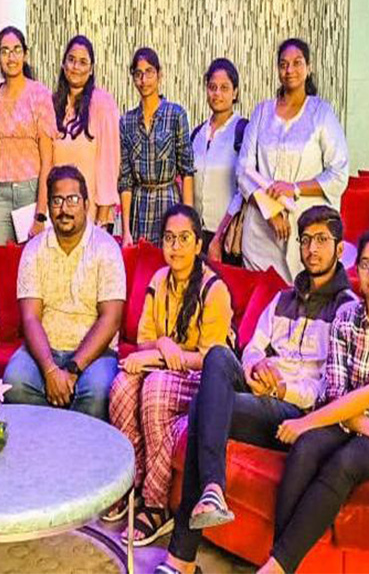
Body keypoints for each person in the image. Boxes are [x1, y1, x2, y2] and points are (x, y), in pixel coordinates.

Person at [154, 206, 357, 574]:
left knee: (204, 405)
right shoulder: (283, 298)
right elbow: (251, 345)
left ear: (339, 250)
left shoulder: (348, 311)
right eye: (306, 240)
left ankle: (181, 558)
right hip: (258, 389)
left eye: (321, 240)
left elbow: (333, 386)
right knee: (218, 354)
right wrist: (253, 367)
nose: (312, 249)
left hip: (295, 412)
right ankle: (212, 491)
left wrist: (283, 390)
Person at [256, 228, 369, 574]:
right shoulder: (345, 319)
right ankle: (280, 565)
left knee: (345, 462)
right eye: (366, 264)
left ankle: (275, 568)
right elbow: (339, 397)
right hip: (346, 419)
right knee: (306, 447)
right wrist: (314, 427)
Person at [108, 204, 233, 546]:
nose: (175, 247)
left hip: (200, 377)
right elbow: (145, 337)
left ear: (198, 244)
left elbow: (213, 359)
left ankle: (155, 504)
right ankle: (128, 484)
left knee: (156, 389)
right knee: (121, 386)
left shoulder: (213, 289)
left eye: (184, 239)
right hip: (165, 365)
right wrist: (164, 346)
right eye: (169, 239)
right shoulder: (158, 280)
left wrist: (163, 357)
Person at [3, 165, 124, 420]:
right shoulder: (34, 250)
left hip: (95, 355)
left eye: (72, 199)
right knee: (15, 381)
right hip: (44, 352)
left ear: (86, 204)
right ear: (48, 207)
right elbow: (30, 318)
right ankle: (44, 449)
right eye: (57, 200)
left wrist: (71, 370)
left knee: (97, 391)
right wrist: (49, 371)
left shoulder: (106, 248)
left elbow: (111, 319)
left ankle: (78, 454)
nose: (64, 208)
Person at [237, 38, 349, 283]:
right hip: (261, 229)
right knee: (261, 304)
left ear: (308, 67)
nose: (290, 70)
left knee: (302, 303)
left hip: (305, 229)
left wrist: (294, 187)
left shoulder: (321, 113)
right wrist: (270, 212)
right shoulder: (262, 112)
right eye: (283, 64)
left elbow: (339, 173)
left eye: (297, 63)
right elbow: (243, 169)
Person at [0, 26, 58, 245]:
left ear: (25, 54)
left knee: (30, 267)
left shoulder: (39, 94)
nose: (11, 56)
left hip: (31, 190)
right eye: (5, 51)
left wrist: (41, 213)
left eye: (16, 50)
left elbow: (48, 161)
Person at [118, 47, 193, 247]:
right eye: (138, 74)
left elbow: (187, 171)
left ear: (160, 74)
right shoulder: (127, 122)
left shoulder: (176, 115)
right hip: (139, 207)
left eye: (149, 72)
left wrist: (188, 222)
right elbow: (125, 179)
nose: (144, 80)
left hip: (168, 202)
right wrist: (125, 230)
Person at [51, 35, 121, 229]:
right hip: (57, 214)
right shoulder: (52, 104)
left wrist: (103, 215)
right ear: (63, 64)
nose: (75, 67)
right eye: (71, 60)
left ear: (91, 69)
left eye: (83, 62)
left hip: (91, 216)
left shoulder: (103, 104)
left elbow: (109, 164)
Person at [190, 58, 248, 260]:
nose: (217, 94)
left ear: (235, 92)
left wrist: (219, 237)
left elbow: (244, 189)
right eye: (212, 87)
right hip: (197, 236)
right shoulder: (197, 134)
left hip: (226, 237)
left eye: (224, 88)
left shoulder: (243, 131)